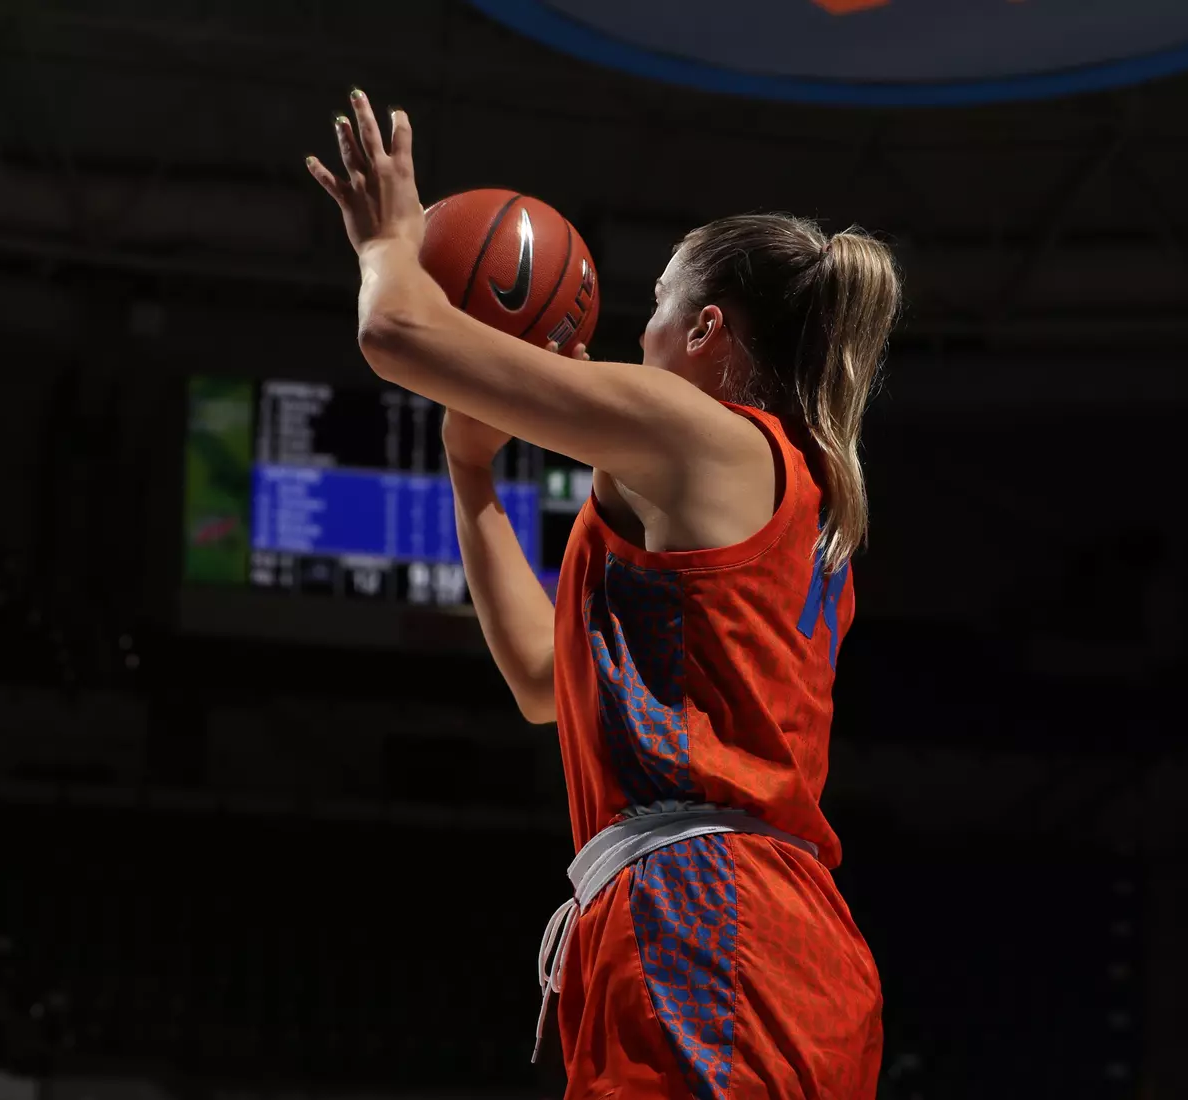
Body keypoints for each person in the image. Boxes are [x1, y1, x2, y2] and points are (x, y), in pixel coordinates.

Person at [307, 90, 899, 1100]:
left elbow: (395, 330)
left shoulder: (702, 434)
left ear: (704, 328)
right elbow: (545, 681)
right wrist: (471, 474)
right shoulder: (770, 492)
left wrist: (390, 242)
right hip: (753, 931)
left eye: (657, 303)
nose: (637, 328)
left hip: (713, 918)